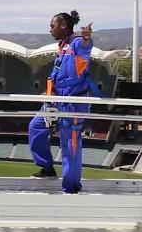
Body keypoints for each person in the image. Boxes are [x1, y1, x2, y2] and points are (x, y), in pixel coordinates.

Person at [28, 10, 95, 194]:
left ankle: (71, 187)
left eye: (52, 26)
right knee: (35, 127)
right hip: (55, 99)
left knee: (70, 143)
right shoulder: (63, 46)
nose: (50, 29)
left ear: (63, 25)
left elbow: (85, 47)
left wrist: (86, 38)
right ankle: (47, 168)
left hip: (72, 101)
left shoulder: (76, 44)